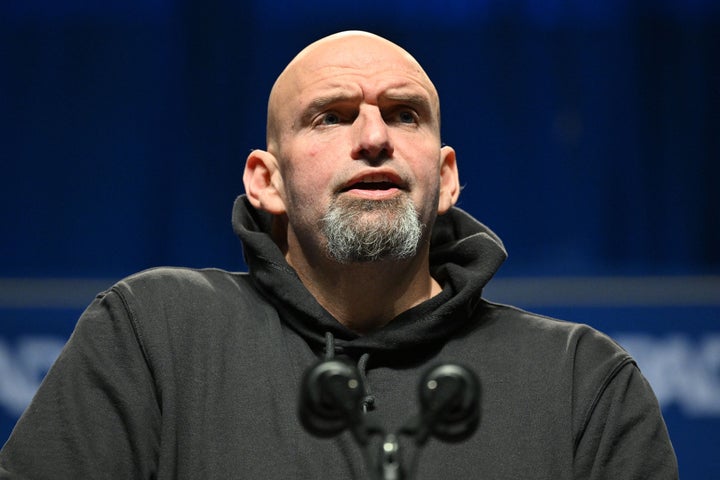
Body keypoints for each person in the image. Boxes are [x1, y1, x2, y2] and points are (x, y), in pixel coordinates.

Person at [0, 31, 677, 479]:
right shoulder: (153, 337)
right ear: (266, 180)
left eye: (405, 113)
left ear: (446, 178)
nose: (375, 137)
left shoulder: (582, 382)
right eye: (332, 115)